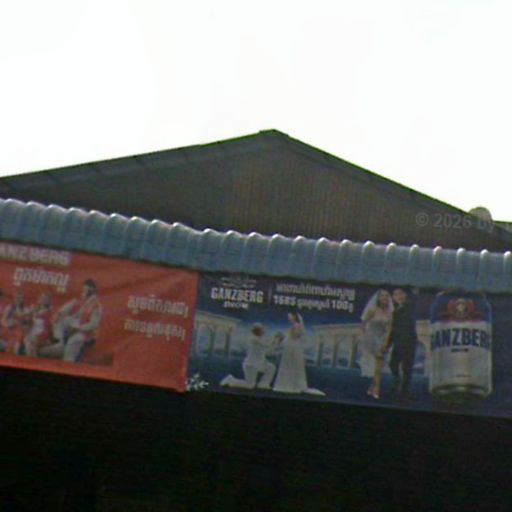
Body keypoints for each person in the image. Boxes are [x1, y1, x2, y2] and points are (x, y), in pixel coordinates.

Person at [39, 279, 102, 362]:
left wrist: (77, 328)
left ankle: (67, 356)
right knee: (63, 320)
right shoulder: (85, 302)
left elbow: (93, 325)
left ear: (91, 291)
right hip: (74, 331)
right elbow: (75, 315)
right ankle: (57, 340)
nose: (83, 291)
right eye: (83, 289)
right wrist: (62, 316)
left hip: (84, 335)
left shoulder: (96, 306)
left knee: (70, 352)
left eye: (85, 290)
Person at [273, 312, 325, 396]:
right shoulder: (294, 326)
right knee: (289, 364)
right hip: (291, 346)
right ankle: (287, 384)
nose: (289, 317)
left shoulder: (297, 325)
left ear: (294, 316)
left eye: (290, 316)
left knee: (292, 364)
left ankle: (291, 385)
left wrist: (288, 336)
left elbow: (296, 336)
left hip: (294, 347)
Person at [220, 323, 282, 390]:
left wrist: (277, 342)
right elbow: (267, 344)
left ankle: (263, 384)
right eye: (262, 330)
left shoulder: (259, 340)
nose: (264, 331)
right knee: (250, 385)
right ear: (257, 331)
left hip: (260, 363)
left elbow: (268, 351)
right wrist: (276, 338)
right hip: (251, 365)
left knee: (271, 367)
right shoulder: (253, 339)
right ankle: (230, 380)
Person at [382, 287, 419, 399]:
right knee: (393, 364)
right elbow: (393, 331)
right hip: (398, 343)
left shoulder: (410, 306)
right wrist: (387, 346)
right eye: (395, 294)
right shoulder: (395, 312)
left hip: (409, 343)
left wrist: (413, 292)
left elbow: (414, 298)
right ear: (393, 297)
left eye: (401, 293)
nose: (398, 296)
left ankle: (404, 393)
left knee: (407, 368)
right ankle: (397, 384)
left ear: (405, 295)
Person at [359, 289, 393, 399]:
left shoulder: (390, 312)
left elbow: (389, 328)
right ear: (378, 298)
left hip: (382, 339)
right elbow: (364, 323)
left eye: (387, 296)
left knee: (379, 366)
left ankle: (374, 389)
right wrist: (364, 336)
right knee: (375, 366)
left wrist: (386, 341)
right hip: (371, 338)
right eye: (382, 296)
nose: (385, 298)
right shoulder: (372, 310)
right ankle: (374, 389)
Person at [22, 292, 53, 357]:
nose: (43, 300)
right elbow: (27, 319)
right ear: (39, 299)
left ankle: (33, 359)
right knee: (26, 339)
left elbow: (49, 326)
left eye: (46, 298)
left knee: (32, 341)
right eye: (42, 298)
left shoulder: (49, 311)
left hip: (43, 332)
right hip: (32, 330)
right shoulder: (34, 309)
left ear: (49, 301)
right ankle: (29, 359)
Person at [1, 290, 28, 354]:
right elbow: (2, 321)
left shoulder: (25, 310)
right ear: (14, 298)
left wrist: (21, 324)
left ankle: (14, 350)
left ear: (23, 299)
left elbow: (26, 324)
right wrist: (8, 324)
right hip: (9, 329)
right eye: (17, 298)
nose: (19, 300)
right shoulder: (9, 308)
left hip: (19, 330)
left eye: (21, 298)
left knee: (20, 332)